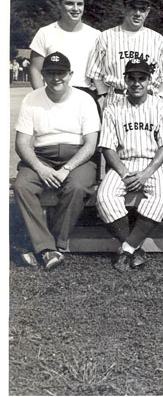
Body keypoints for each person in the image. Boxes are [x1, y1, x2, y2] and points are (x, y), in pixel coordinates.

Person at [13, 52, 100, 269]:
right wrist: (41, 169)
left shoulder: (84, 99)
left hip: (77, 156)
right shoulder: (31, 99)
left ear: (70, 74)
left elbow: (91, 144)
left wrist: (67, 168)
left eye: (61, 73)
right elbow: (22, 143)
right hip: (42, 156)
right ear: (43, 75)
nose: (56, 78)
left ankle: (54, 244)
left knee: (78, 186)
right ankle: (47, 248)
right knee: (22, 185)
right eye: (50, 73)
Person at [95, 58, 163, 272]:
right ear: (125, 80)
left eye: (142, 78)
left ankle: (128, 248)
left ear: (150, 80)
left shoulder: (162, 107)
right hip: (123, 163)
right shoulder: (113, 108)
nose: (137, 83)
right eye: (132, 78)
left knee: (160, 197)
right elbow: (107, 148)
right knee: (104, 196)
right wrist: (123, 173)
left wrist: (147, 173)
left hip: (153, 164)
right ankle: (135, 249)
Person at [85, 0, 163, 107]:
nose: (137, 13)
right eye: (133, 7)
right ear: (124, 8)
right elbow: (95, 74)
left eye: (142, 9)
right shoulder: (106, 37)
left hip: (148, 102)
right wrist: (108, 95)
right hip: (116, 101)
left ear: (148, 11)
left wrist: (156, 99)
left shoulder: (158, 40)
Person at [28, 0, 101, 99]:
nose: (75, 9)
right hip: (54, 95)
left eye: (80, 4)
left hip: (86, 97)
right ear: (60, 5)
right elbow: (35, 69)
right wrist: (43, 97)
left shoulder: (96, 35)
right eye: (70, 3)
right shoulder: (45, 33)